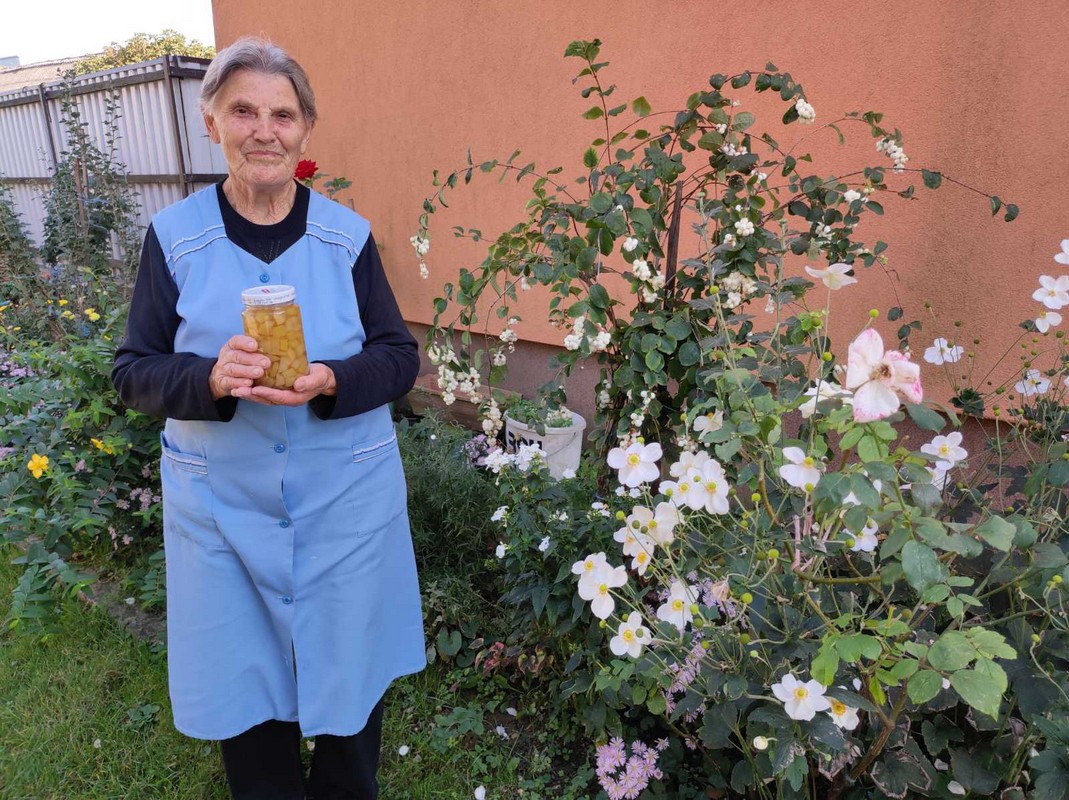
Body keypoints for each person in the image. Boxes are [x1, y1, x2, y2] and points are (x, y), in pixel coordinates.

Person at [112, 36, 426, 800]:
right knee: (248, 700)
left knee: (350, 692)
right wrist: (208, 378)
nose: (264, 130)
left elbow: (396, 355)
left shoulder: (343, 237)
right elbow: (133, 370)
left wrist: (330, 378)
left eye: (282, 114)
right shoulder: (176, 239)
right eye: (243, 110)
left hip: (343, 504)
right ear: (211, 121)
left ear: (305, 129)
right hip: (221, 510)